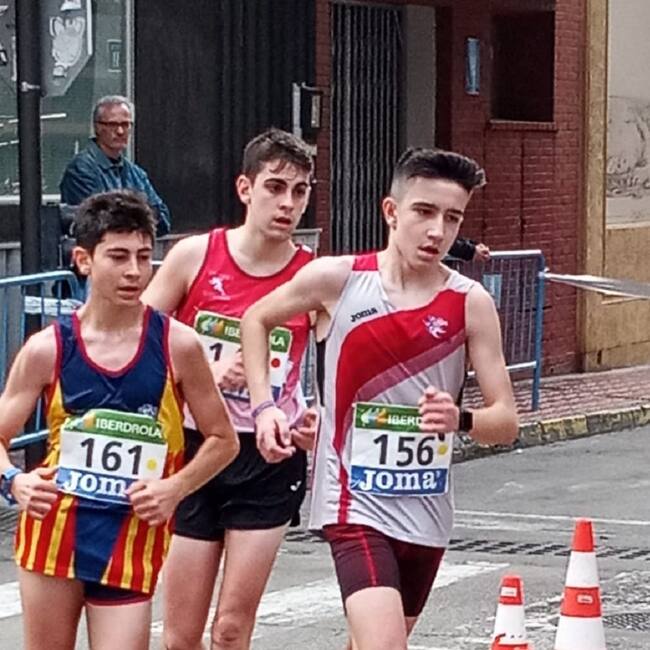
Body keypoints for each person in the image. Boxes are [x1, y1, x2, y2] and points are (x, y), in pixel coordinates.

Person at [241, 147, 519, 650]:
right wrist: (265, 408)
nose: (437, 231)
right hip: (353, 501)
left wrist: (460, 418)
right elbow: (256, 319)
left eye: (452, 218)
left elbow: (506, 422)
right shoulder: (339, 279)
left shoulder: (469, 303)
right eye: (424, 212)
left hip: (426, 506)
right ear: (391, 211)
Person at [0, 191, 238, 650]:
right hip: (54, 536)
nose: (134, 271)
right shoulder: (48, 348)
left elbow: (222, 440)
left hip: (131, 541)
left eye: (144, 257)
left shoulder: (178, 345)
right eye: (118, 256)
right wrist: (15, 481)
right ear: (83, 260)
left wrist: (175, 489)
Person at [141, 127, 319, 649]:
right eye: (275, 188)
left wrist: (317, 417)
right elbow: (136, 345)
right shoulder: (195, 256)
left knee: (231, 628)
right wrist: (201, 375)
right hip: (195, 450)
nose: (288, 204)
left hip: (266, 459)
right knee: (181, 636)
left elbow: (339, 365)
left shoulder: (313, 277)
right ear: (245, 188)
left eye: (300, 191)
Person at [60, 95, 171, 236]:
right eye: (113, 125)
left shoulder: (136, 173)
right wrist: (141, 212)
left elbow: (163, 221)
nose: (120, 131)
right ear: (98, 127)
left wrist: (124, 213)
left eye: (125, 124)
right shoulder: (81, 169)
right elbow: (96, 224)